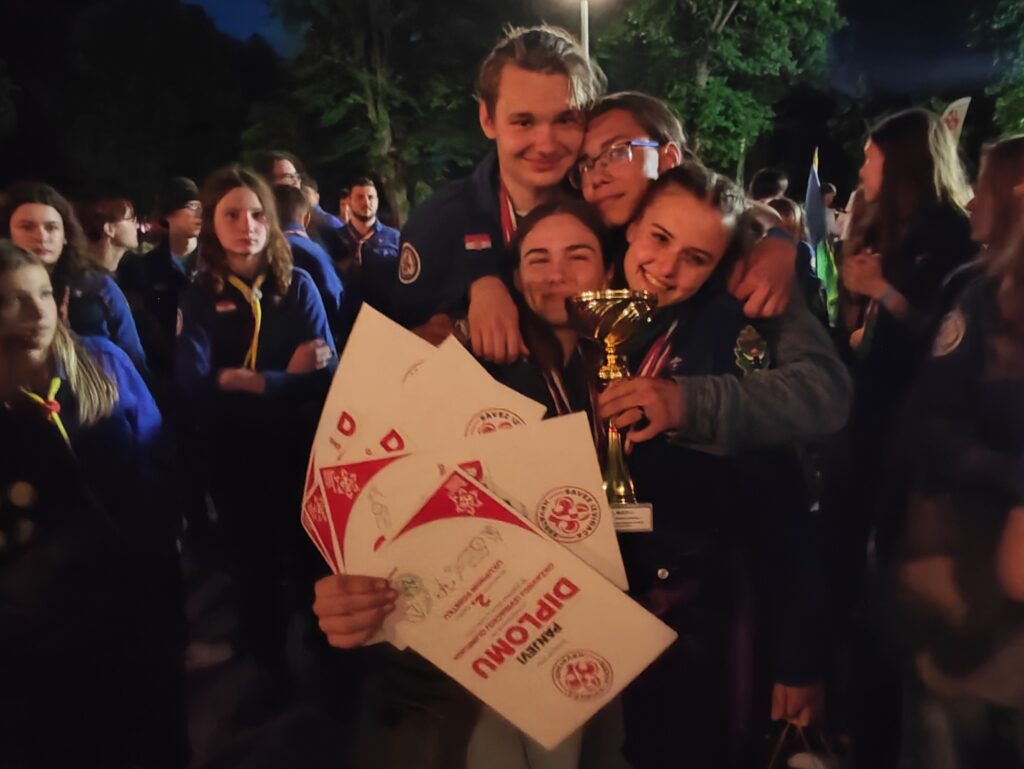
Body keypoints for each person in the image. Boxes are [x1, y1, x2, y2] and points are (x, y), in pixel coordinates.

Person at [311, 199, 627, 769]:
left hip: (597, 633)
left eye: (577, 256)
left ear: (608, 273)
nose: (555, 273)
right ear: (515, 278)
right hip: (489, 646)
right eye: (537, 259)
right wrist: (349, 589)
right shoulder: (466, 367)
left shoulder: (630, 362)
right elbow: (383, 497)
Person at [592, 163, 826, 768]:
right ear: (632, 226)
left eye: (696, 258)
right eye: (659, 238)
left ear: (721, 264)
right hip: (586, 599)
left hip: (693, 615)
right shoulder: (580, 311)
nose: (667, 267)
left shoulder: (730, 338)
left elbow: (783, 502)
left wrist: (798, 656)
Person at [576, 91, 851, 451]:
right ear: (635, 229)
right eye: (586, 162)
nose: (598, 175)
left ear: (668, 157)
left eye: (617, 151)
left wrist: (690, 404)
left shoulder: (746, 270)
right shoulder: (584, 256)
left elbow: (824, 392)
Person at [0, 239, 187, 767]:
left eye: (43, 294)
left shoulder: (101, 360)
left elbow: (157, 452)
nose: (38, 312)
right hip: (40, 635)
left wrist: (162, 540)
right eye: (13, 300)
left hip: (137, 599)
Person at [886, 147, 1024, 766]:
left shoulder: (983, 294)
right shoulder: (983, 295)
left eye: (984, 186)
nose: (971, 200)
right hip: (974, 601)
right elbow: (928, 425)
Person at [176, 164, 336, 679]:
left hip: (300, 450)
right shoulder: (199, 296)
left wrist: (246, 381)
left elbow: (323, 374)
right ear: (212, 223)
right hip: (234, 455)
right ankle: (267, 669)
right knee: (252, 566)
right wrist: (280, 378)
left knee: (313, 561)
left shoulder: (299, 285)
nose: (247, 225)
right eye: (232, 215)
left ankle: (331, 669)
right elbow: (194, 381)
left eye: (257, 214)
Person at [388, 24, 605, 363]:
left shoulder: (605, 211)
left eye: (565, 120)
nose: (546, 144)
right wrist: (459, 323)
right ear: (487, 120)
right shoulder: (437, 224)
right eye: (524, 122)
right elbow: (401, 359)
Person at [2, 181, 148, 375]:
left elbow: (134, 361)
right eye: (27, 227)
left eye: (51, 227)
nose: (41, 236)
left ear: (65, 235)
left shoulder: (96, 287)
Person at [117, 176, 202, 390]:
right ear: (168, 214)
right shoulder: (144, 268)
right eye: (191, 207)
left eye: (200, 207)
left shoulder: (215, 263)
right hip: (164, 377)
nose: (199, 214)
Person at [274, 183, 346, 346]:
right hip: (319, 346)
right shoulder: (314, 253)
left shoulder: (264, 253)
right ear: (306, 218)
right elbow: (335, 299)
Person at [335, 176, 401, 329]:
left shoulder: (394, 238)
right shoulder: (335, 238)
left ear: (377, 200)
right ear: (349, 201)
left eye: (371, 197)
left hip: (384, 320)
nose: (366, 202)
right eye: (360, 197)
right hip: (344, 321)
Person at [77, 194, 140, 274]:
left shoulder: (126, 270)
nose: (137, 225)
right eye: (131, 219)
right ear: (109, 229)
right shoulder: (87, 277)